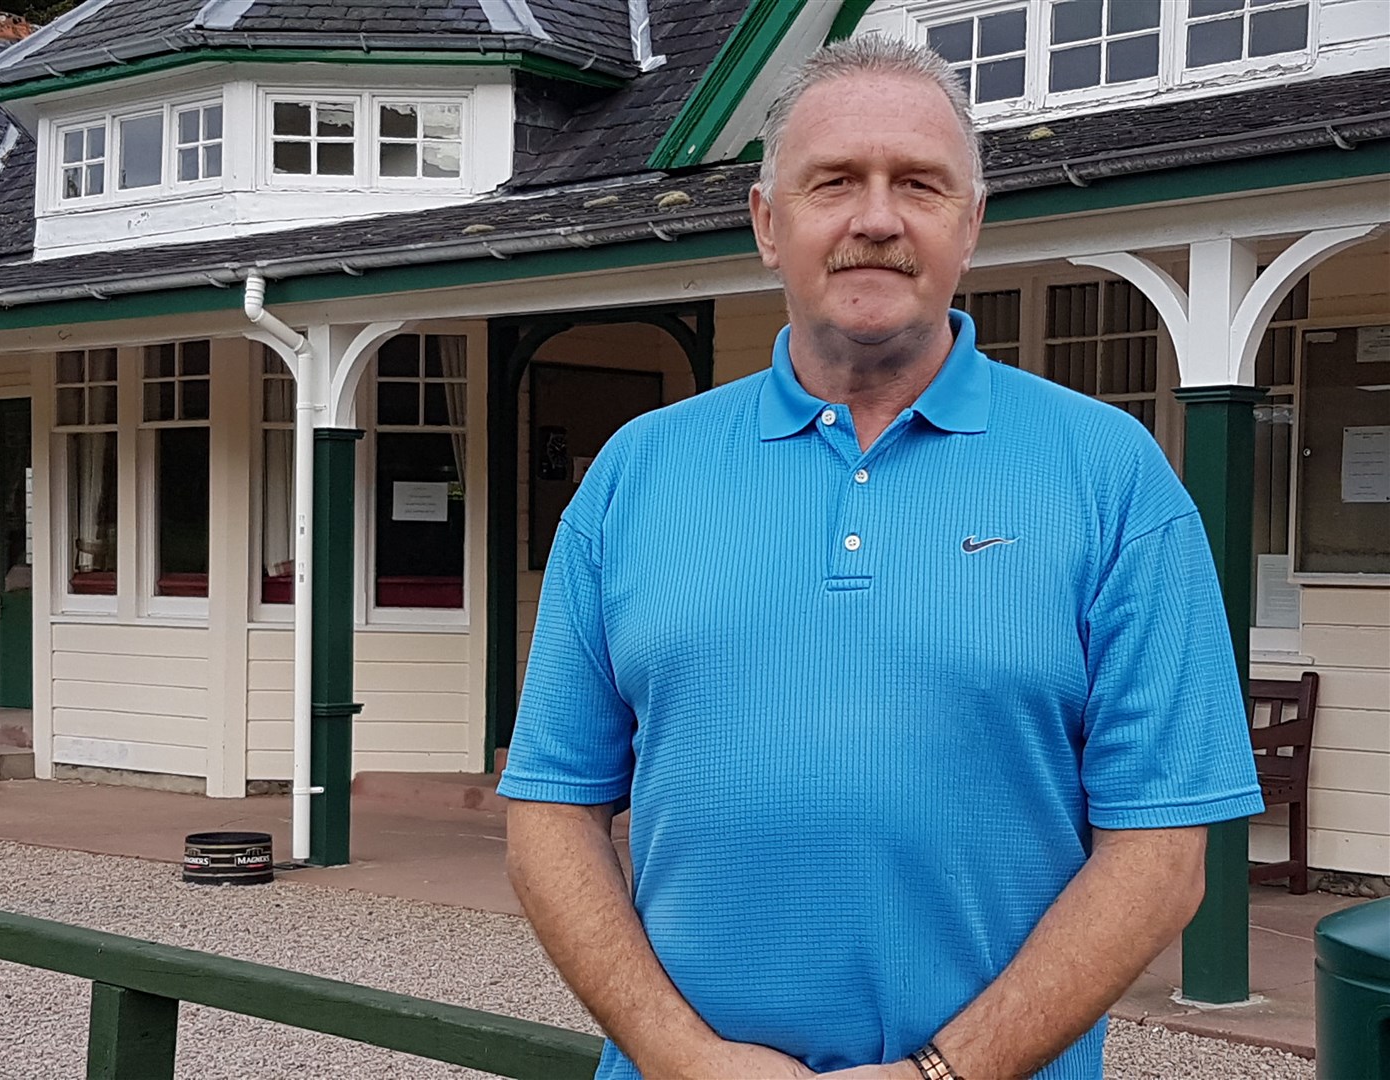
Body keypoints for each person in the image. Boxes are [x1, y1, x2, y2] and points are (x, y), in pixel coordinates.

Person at [498, 35, 1264, 1080]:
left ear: (971, 223)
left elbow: (1163, 856)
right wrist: (681, 1059)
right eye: (834, 182)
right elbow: (549, 810)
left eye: (919, 183)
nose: (876, 217)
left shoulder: (1112, 479)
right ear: (768, 223)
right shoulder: (638, 476)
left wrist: (942, 1074)